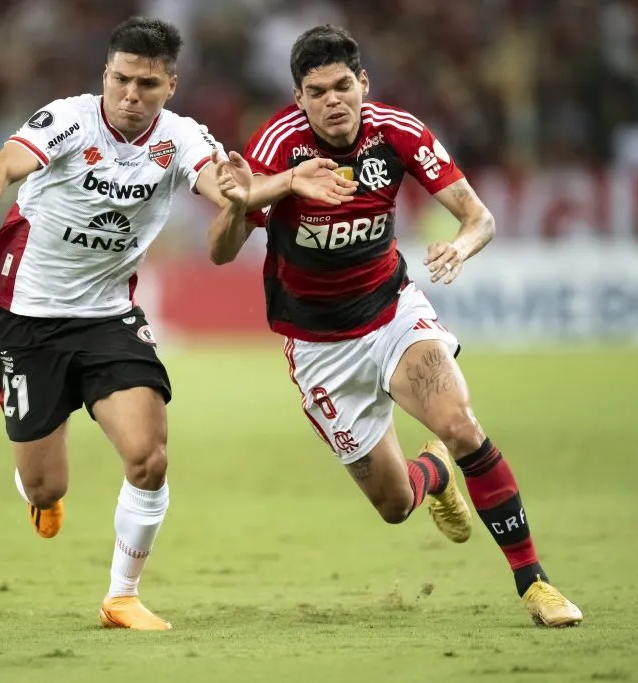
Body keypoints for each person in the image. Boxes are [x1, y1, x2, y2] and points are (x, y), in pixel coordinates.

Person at [0, 17, 354, 631]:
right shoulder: (68, 119)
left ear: (170, 85)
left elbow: (230, 193)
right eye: (120, 79)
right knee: (44, 486)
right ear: (105, 76)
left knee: (149, 457)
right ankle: (38, 487)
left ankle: (121, 596)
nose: (131, 95)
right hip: (28, 317)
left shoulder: (181, 138)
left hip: (108, 315)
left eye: (146, 84)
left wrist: (285, 182)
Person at [207, 25, 583, 628]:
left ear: (363, 83)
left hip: (392, 313)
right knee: (394, 504)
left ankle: (535, 583)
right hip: (319, 346)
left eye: (342, 86)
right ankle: (433, 474)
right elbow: (221, 251)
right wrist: (243, 199)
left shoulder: (398, 132)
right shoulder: (278, 143)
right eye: (316, 92)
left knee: (462, 425)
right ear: (299, 98)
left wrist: (461, 246)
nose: (332, 101)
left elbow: (480, 218)